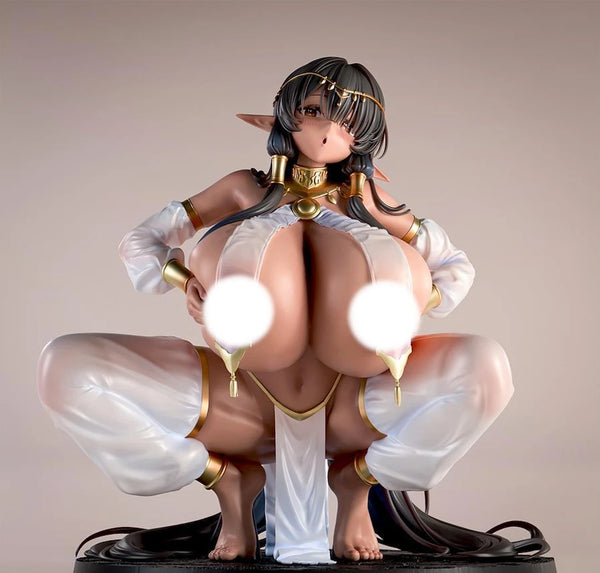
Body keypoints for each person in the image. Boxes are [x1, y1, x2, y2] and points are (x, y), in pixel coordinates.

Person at [38, 57, 516, 564]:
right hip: (239, 398)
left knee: (486, 368)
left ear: (365, 135)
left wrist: (418, 299)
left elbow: (454, 266)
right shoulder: (244, 188)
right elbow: (142, 240)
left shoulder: (369, 200)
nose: (328, 131)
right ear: (285, 114)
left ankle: (357, 482)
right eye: (313, 110)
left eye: (348, 122)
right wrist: (184, 282)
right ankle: (228, 481)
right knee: (65, 367)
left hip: (354, 402)